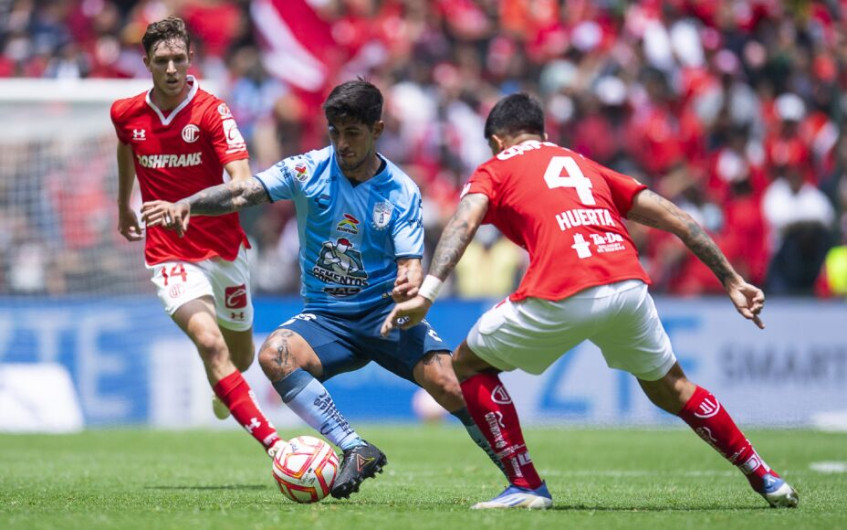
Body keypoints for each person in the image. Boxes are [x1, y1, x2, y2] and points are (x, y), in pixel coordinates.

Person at [381, 93, 799, 510]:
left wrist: (428, 292)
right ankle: (765, 475)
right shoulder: (584, 164)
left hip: (563, 288)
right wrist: (732, 280)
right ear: (544, 134)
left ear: (495, 141)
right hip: (628, 287)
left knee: (469, 364)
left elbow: (463, 221)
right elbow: (681, 220)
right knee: (672, 387)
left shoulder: (496, 167)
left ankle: (526, 485)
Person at [140, 79, 505, 499]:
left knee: (451, 385)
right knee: (274, 353)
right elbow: (242, 192)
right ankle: (355, 447)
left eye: (353, 133)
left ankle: (517, 474)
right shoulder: (306, 170)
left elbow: (410, 264)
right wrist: (189, 203)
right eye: (335, 132)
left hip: (385, 315)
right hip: (327, 319)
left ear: (377, 130)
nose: (342, 143)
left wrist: (410, 279)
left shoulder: (401, 190)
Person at [111, 17, 282, 457]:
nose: (172, 69)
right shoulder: (126, 113)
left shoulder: (211, 111)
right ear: (146, 61)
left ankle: (225, 388)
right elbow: (126, 147)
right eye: (162, 60)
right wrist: (122, 204)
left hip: (225, 249)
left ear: (191, 60)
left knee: (239, 357)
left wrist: (186, 203)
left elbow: (242, 182)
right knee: (209, 342)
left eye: (179, 59)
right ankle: (278, 448)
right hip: (168, 251)